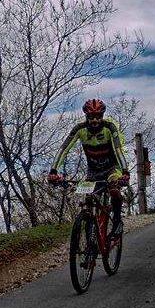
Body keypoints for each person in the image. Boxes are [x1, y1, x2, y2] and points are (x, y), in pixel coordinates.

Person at [47, 99, 130, 236]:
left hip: (112, 168)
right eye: (91, 117)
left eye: (98, 116)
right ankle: (90, 236)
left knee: (114, 189)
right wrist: (53, 171)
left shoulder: (109, 128)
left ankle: (117, 221)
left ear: (102, 116)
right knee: (89, 200)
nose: (95, 120)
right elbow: (64, 149)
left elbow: (118, 150)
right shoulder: (80, 129)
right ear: (87, 116)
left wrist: (125, 172)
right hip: (93, 171)